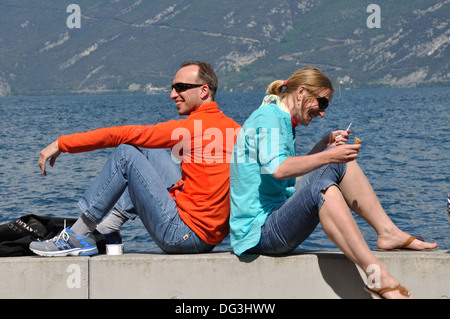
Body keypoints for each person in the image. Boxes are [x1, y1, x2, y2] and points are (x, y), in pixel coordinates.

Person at [229, 67, 437, 299]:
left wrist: (324, 146)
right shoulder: (267, 118)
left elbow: (288, 181)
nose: (322, 113)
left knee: (340, 162)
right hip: (259, 233)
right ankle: (380, 278)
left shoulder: (279, 117)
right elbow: (279, 170)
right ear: (302, 92)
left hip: (273, 216)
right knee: (322, 188)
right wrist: (329, 156)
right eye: (322, 103)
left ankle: (388, 233)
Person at [30, 61, 241, 256]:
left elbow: (121, 135)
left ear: (204, 90)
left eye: (180, 87)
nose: (172, 94)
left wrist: (62, 144)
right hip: (208, 237)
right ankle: (108, 229)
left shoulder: (188, 129)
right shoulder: (235, 129)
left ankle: (78, 235)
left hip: (182, 237)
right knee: (151, 149)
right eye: (172, 87)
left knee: (126, 154)